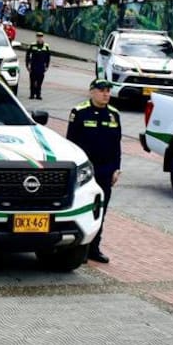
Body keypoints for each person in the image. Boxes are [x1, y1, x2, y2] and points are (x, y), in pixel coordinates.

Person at [66, 78, 121, 263]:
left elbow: (117, 145)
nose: (106, 94)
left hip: (106, 170)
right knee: (83, 207)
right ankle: (81, 249)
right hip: (85, 170)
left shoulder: (114, 115)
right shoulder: (79, 112)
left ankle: (94, 248)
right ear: (92, 92)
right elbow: (70, 143)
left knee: (101, 209)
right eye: (101, 90)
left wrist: (116, 168)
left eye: (108, 91)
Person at [25, 31, 52, 100]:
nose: (39, 39)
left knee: (39, 81)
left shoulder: (46, 46)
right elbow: (27, 55)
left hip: (41, 66)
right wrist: (27, 65)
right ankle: (32, 94)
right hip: (33, 66)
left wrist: (47, 66)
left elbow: (48, 57)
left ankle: (38, 95)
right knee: (32, 81)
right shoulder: (32, 45)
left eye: (41, 37)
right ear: (36, 37)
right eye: (38, 37)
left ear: (42, 38)